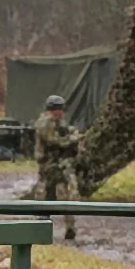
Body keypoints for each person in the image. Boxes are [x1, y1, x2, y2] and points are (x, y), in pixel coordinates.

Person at [33, 92, 80, 240]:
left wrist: (73, 134)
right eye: (59, 109)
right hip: (48, 166)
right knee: (45, 197)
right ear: (53, 109)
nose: (61, 112)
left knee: (64, 196)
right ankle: (41, 229)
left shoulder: (58, 122)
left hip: (59, 165)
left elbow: (67, 130)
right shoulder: (45, 122)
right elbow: (55, 141)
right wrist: (73, 139)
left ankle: (70, 227)